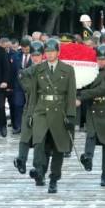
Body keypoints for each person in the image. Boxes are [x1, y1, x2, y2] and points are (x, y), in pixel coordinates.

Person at [29, 39, 77, 193]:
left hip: (59, 110)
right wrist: (30, 114)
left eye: (52, 51)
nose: (49, 54)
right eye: (47, 52)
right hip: (41, 109)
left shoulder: (68, 70)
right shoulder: (39, 69)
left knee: (58, 147)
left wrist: (70, 115)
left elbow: (71, 94)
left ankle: (54, 178)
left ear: (58, 52)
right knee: (39, 142)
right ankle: (39, 169)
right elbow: (33, 94)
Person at [78, 45, 105, 187]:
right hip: (92, 108)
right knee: (90, 134)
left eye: (103, 59)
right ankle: (88, 158)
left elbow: (101, 90)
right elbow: (84, 84)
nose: (100, 61)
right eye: (98, 59)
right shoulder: (91, 71)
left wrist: (81, 96)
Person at [13, 41, 45, 174]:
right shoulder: (24, 72)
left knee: (39, 139)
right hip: (30, 107)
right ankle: (21, 160)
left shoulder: (49, 70)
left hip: (44, 109)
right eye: (33, 55)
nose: (35, 58)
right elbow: (30, 89)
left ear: (43, 55)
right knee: (25, 136)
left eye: (38, 55)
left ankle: (38, 166)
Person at [9, 38, 33, 135]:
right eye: (23, 48)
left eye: (27, 48)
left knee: (30, 107)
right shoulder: (16, 56)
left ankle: (30, 127)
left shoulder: (35, 56)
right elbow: (12, 71)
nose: (25, 50)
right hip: (18, 86)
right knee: (18, 106)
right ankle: (18, 126)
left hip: (31, 86)